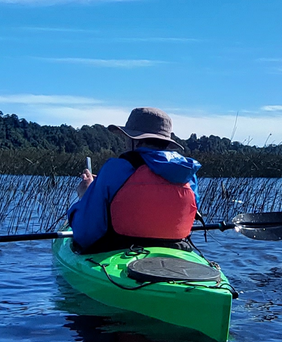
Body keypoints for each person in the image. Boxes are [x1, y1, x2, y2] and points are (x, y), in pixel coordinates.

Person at [68, 107, 201, 252]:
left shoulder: (116, 168)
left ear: (135, 141)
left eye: (126, 137)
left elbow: (85, 233)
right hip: (176, 250)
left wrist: (85, 195)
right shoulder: (187, 174)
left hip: (119, 249)